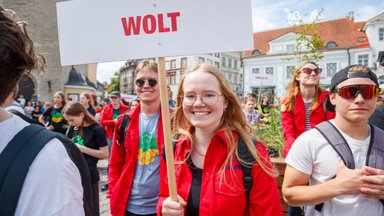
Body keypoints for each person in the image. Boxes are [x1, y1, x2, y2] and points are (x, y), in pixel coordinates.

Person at [158, 64, 282, 215]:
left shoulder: (252, 153)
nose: (198, 103)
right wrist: (164, 207)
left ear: (225, 102)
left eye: (209, 95)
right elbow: (164, 196)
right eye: (190, 96)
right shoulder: (172, 148)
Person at [0, 5, 84, 215]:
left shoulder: (46, 165)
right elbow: (43, 117)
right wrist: (44, 123)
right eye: (54, 97)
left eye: (57, 97)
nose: (55, 99)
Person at [283, 65, 384, 216]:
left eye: (368, 92)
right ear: (333, 98)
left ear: (376, 98)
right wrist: (338, 187)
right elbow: (289, 194)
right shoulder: (310, 141)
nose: (360, 99)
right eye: (349, 92)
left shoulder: (381, 138)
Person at [108, 59, 168, 216]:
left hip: (162, 207)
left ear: (161, 84)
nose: (146, 85)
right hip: (128, 205)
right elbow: (115, 164)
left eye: (152, 81)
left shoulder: (174, 122)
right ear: (135, 86)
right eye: (140, 82)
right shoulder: (123, 122)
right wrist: (113, 193)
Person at [281, 61, 335, 215]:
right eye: (308, 70)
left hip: (323, 152)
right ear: (298, 76)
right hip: (298, 152)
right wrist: (297, 156)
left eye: (316, 71)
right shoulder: (288, 101)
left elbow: (331, 129)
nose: (313, 73)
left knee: (321, 198)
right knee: (296, 199)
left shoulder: (327, 99)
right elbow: (288, 133)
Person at [64, 102, 109, 216]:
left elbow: (104, 154)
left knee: (90, 209)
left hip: (89, 175)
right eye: (68, 120)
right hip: (73, 174)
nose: (70, 123)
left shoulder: (97, 129)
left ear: (82, 115)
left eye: (72, 120)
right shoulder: (73, 128)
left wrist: (83, 149)